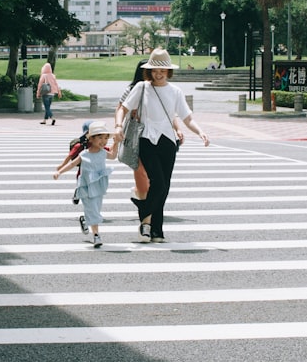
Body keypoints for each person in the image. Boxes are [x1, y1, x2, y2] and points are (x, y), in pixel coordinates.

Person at [114, 48, 209, 243]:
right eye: (155, 70)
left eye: (163, 71)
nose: (159, 74)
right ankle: (146, 216)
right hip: (147, 139)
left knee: (164, 186)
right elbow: (122, 109)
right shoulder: (141, 87)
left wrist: (200, 131)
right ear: (149, 71)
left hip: (168, 141)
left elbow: (186, 117)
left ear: (168, 72)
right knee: (158, 182)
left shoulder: (175, 91)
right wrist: (117, 126)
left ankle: (156, 229)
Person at [53, 120, 117, 248]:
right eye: (100, 138)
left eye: (105, 138)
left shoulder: (103, 152)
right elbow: (72, 163)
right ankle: (96, 235)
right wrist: (59, 172)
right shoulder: (84, 154)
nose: (104, 141)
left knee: (96, 209)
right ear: (91, 139)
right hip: (86, 185)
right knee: (92, 209)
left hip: (99, 185)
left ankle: (85, 220)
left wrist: (117, 142)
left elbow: (113, 156)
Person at [119, 60, 150, 206]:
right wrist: (118, 126)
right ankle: (143, 196)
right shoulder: (132, 88)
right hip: (135, 132)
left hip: (153, 132)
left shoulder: (158, 88)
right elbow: (120, 108)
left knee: (150, 169)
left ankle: (142, 193)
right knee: (139, 166)